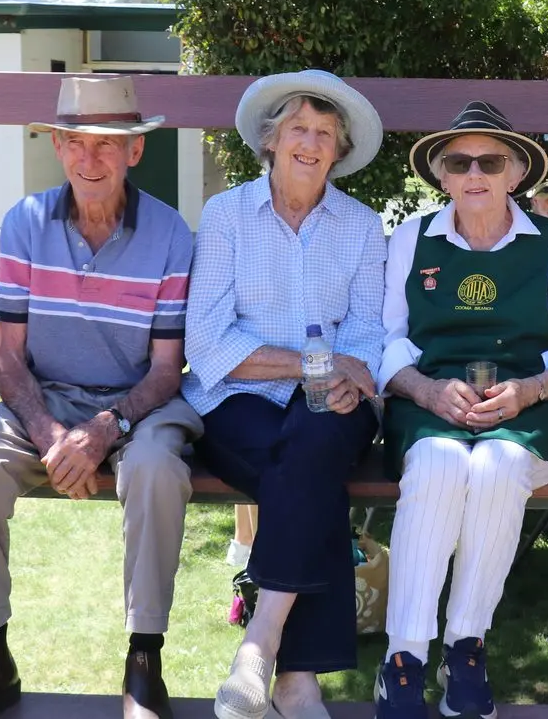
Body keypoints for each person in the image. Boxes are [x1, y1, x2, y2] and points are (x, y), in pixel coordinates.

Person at [0, 77, 199, 719]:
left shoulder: (170, 233)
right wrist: (53, 435)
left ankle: (145, 658)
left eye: (107, 145)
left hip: (138, 406)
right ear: (57, 146)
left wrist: (105, 429)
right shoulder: (25, 223)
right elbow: (6, 355)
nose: (91, 159)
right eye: (76, 143)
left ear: (135, 152)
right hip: (43, 400)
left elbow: (169, 369)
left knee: (157, 468)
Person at [374, 101, 548, 719]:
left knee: (498, 465)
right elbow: (389, 339)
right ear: (441, 176)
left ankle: (466, 646)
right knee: (442, 464)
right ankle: (404, 659)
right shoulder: (411, 241)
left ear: (515, 173)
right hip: (431, 397)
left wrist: (529, 391)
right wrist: (422, 390)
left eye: (491, 160)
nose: (475, 172)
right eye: (459, 161)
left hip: (530, 401)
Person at [183, 70, 386, 719]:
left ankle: (258, 645)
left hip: (331, 402)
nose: (310, 142)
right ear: (270, 141)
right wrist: (316, 364)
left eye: (324, 133)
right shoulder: (226, 215)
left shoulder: (359, 225)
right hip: (236, 397)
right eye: (298, 128)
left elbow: (370, 335)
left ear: (338, 149)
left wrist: (351, 376)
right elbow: (209, 343)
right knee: (306, 471)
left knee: (316, 438)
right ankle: (297, 680)